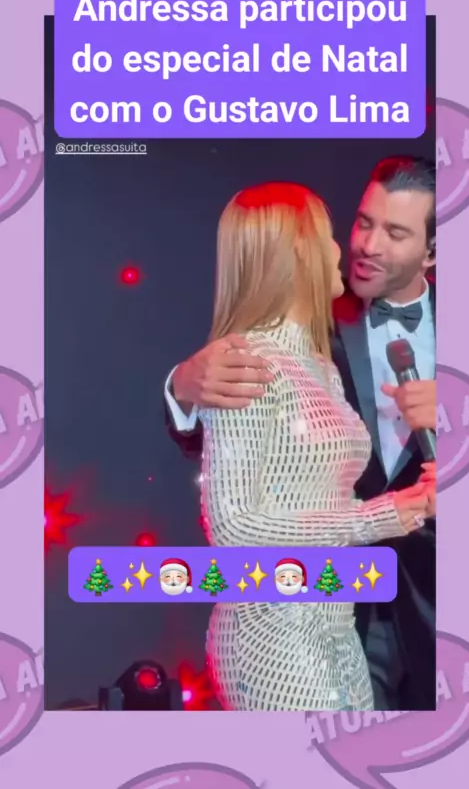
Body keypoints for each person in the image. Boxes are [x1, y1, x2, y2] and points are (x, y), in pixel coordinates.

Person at [164, 156, 437, 710]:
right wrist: (182, 388)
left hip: (434, 602)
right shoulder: (300, 331)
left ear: (431, 251)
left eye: (395, 233)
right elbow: (235, 510)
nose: (364, 245)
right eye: (363, 223)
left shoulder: (317, 361)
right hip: (315, 618)